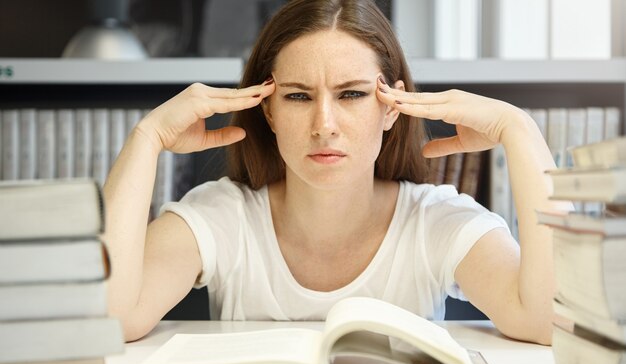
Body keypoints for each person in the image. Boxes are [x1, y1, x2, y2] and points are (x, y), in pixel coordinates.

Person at [104, 0, 571, 343]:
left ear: (392, 107)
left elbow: (547, 320)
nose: (323, 126)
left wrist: (520, 130)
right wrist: (145, 139)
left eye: (351, 95)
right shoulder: (222, 215)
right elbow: (112, 318)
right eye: (298, 96)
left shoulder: (436, 220)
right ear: (267, 111)